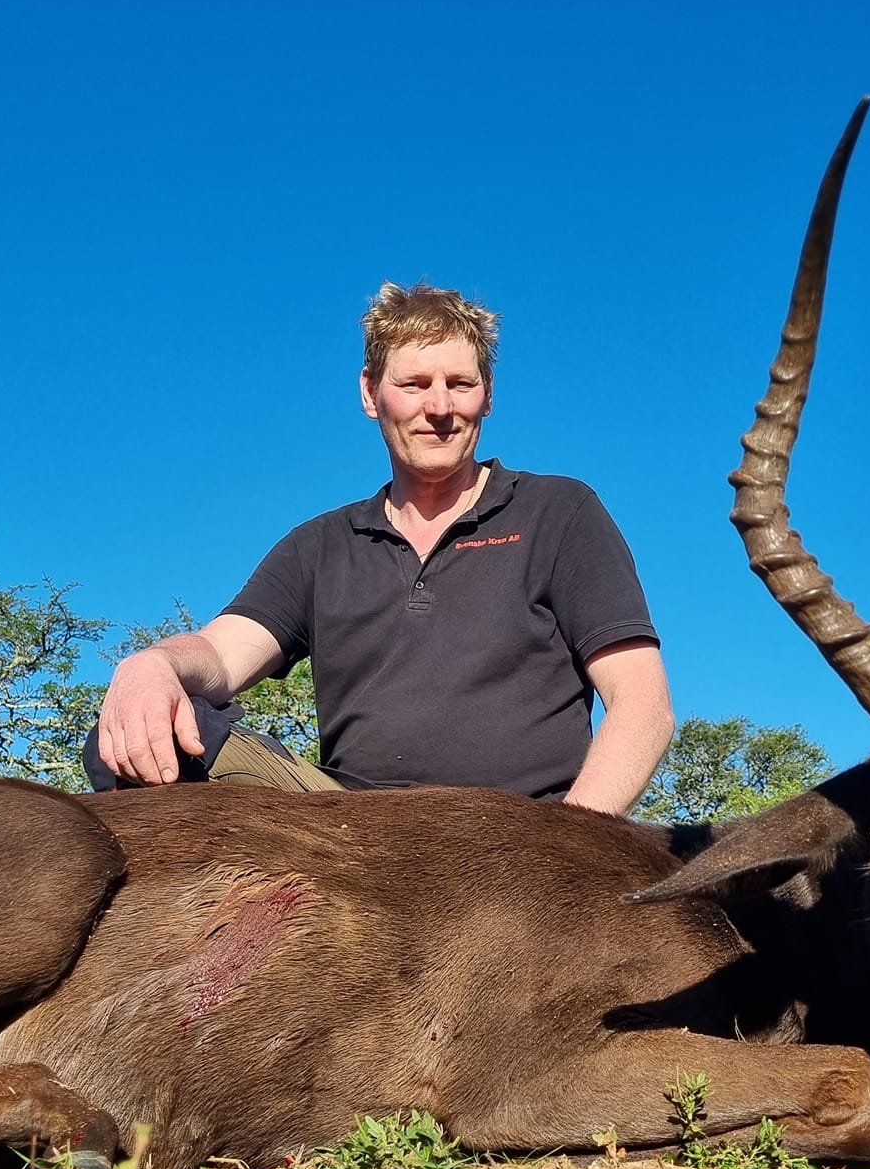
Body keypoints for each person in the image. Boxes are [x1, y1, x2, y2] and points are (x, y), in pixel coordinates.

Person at [95, 281, 674, 814]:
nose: (440, 407)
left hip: (517, 837)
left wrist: (566, 850)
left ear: (488, 397)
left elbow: (642, 706)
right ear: (371, 393)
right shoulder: (319, 546)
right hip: (350, 835)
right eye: (414, 384)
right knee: (138, 726)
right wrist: (151, 664)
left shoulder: (559, 511)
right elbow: (220, 657)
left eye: (461, 384)